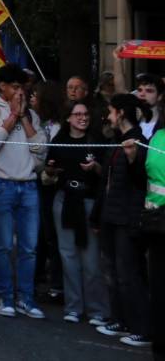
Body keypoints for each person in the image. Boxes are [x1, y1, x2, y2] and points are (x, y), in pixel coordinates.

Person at [0, 63, 47, 319]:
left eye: (22, 88)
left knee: (29, 247)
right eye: (15, 87)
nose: (19, 93)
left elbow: (41, 147)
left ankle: (26, 298)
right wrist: (12, 115)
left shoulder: (31, 114)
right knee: (3, 245)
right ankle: (5, 296)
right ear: (3, 86)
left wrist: (24, 117)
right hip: (0, 183)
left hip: (28, 184)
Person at [44, 100, 107, 326]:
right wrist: (51, 169)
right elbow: (49, 171)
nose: (83, 117)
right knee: (68, 255)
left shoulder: (96, 140)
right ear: (68, 118)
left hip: (88, 200)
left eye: (85, 113)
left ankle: (97, 309)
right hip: (64, 200)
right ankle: (73, 307)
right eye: (78, 114)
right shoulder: (59, 140)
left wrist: (96, 167)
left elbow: (106, 172)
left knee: (91, 258)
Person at [94, 94, 150, 348]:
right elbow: (106, 183)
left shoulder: (139, 141)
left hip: (128, 218)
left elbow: (141, 181)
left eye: (111, 111)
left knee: (130, 274)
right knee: (113, 273)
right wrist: (98, 216)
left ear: (121, 113)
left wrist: (133, 158)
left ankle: (142, 328)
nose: (108, 116)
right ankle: (121, 320)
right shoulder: (117, 141)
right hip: (111, 216)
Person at [122, 115, 163, 356]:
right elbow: (143, 180)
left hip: (157, 221)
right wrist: (133, 158)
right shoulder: (157, 137)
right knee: (158, 287)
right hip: (157, 223)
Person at [30, 81, 66, 303]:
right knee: (41, 235)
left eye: (36, 95)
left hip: (52, 186)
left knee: (52, 235)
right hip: (39, 182)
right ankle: (39, 277)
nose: (32, 99)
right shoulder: (39, 122)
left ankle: (57, 284)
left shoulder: (58, 127)